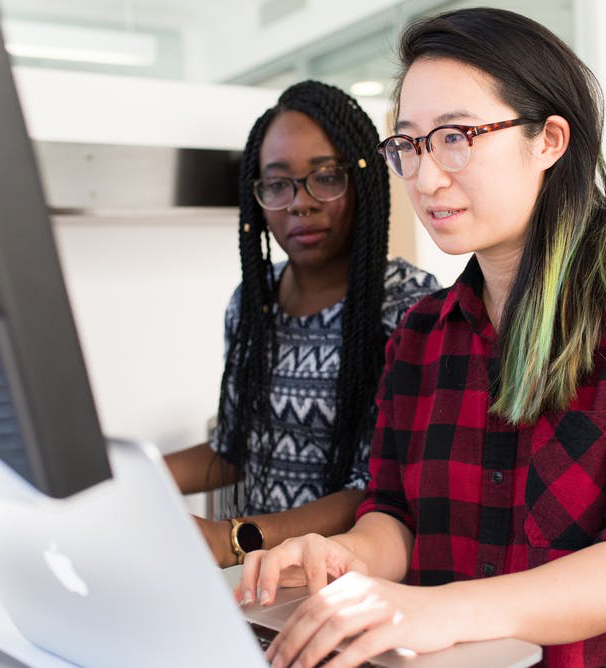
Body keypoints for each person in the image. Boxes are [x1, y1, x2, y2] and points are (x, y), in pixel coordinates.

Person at [236, 8, 606, 667]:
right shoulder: (420, 331)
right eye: (409, 145)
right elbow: (396, 517)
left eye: (457, 137)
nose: (426, 178)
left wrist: (437, 609)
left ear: (549, 140)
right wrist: (346, 554)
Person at [165, 80, 439, 568]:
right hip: (261, 583)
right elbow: (233, 448)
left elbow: (380, 489)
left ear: (362, 181)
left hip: (353, 583)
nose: (300, 202)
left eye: (326, 177)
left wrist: (233, 539)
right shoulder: (252, 303)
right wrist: (125, 477)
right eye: (277, 184)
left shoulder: (408, 308)